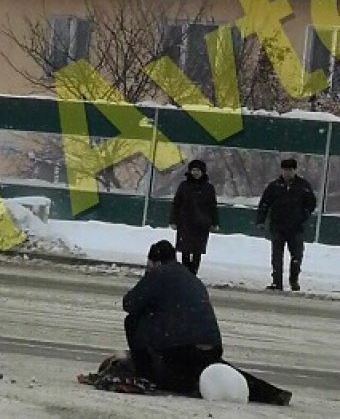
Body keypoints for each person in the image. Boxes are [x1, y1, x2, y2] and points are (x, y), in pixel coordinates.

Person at [119, 240, 291, 405]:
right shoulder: (190, 276)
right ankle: (269, 392)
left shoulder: (158, 274)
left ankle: (146, 374)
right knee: (215, 370)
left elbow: (129, 304)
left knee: (133, 320)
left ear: (155, 263)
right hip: (210, 343)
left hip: (181, 347)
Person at [256, 157, 317, 291]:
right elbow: (264, 203)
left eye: (290, 170)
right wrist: (261, 220)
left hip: (296, 227)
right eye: (285, 170)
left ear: (295, 170)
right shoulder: (274, 186)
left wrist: (303, 215)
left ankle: (294, 280)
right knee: (277, 256)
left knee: (297, 256)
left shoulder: (303, 186)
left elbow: (311, 203)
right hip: (278, 226)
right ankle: (277, 281)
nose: (287, 173)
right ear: (281, 170)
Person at [170, 159, 218, 275]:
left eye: (198, 170)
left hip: (201, 224)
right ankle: (186, 273)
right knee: (185, 250)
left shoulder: (208, 188)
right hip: (185, 222)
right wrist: (173, 220)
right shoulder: (184, 186)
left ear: (203, 172)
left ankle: (193, 273)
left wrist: (214, 222)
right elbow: (176, 203)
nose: (195, 173)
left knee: (197, 251)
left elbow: (213, 206)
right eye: (193, 170)